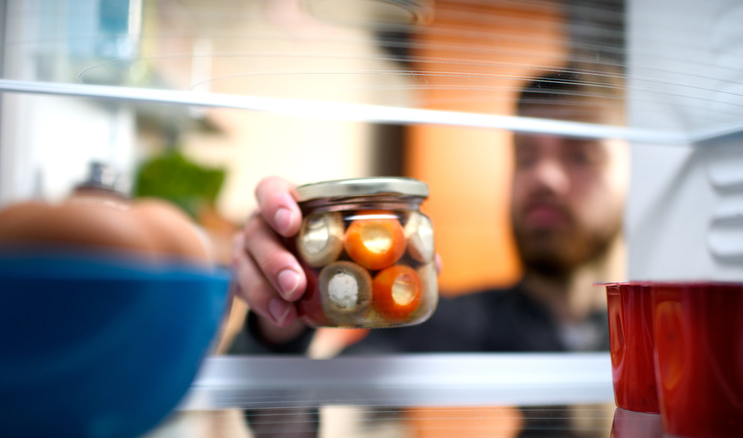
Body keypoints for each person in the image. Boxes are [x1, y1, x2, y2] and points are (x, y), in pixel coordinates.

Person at [228, 68, 629, 356]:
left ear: (638, 177)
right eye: (525, 156)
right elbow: (291, 416)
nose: (544, 177)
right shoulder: (434, 322)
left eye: (582, 155)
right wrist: (276, 327)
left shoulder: (676, 331)